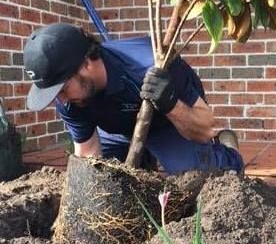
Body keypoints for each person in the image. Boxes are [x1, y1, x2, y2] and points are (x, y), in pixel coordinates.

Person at [23, 23, 244, 175]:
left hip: (169, 124)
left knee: (196, 175)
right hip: (117, 131)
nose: (61, 100)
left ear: (86, 64)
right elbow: (87, 152)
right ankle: (144, 159)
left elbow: (206, 127)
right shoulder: (68, 99)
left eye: (61, 89)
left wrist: (170, 103)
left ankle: (229, 152)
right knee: (103, 177)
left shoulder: (152, 64)